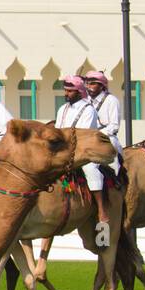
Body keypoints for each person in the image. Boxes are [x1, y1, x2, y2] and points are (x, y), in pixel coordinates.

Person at [56, 74, 109, 226]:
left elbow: (83, 133)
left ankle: (101, 210)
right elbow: (59, 129)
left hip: (84, 149)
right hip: (64, 148)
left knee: (90, 170)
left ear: (79, 92)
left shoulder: (88, 110)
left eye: (70, 91)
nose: (66, 94)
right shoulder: (62, 109)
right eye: (65, 90)